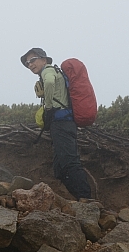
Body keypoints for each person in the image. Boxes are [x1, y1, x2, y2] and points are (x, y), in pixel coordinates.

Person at [21, 48, 92, 200]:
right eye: (27, 63)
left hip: (62, 123)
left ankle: (86, 198)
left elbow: (49, 82)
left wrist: (48, 107)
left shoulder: (48, 70)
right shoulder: (50, 71)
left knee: (69, 162)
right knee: (59, 169)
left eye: (33, 60)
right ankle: (81, 197)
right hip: (61, 124)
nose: (30, 65)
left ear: (44, 59)